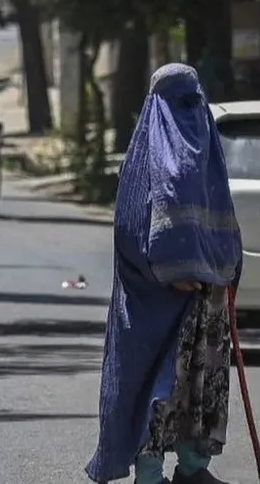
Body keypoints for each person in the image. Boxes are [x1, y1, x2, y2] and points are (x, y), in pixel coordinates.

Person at [85, 63, 243, 484]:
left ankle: (193, 467)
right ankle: (150, 470)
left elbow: (221, 217)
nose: (189, 111)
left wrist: (225, 268)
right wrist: (169, 273)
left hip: (204, 295)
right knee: (157, 388)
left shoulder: (209, 155)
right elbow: (131, 229)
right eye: (179, 102)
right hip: (154, 301)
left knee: (202, 383)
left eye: (195, 100)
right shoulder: (144, 161)